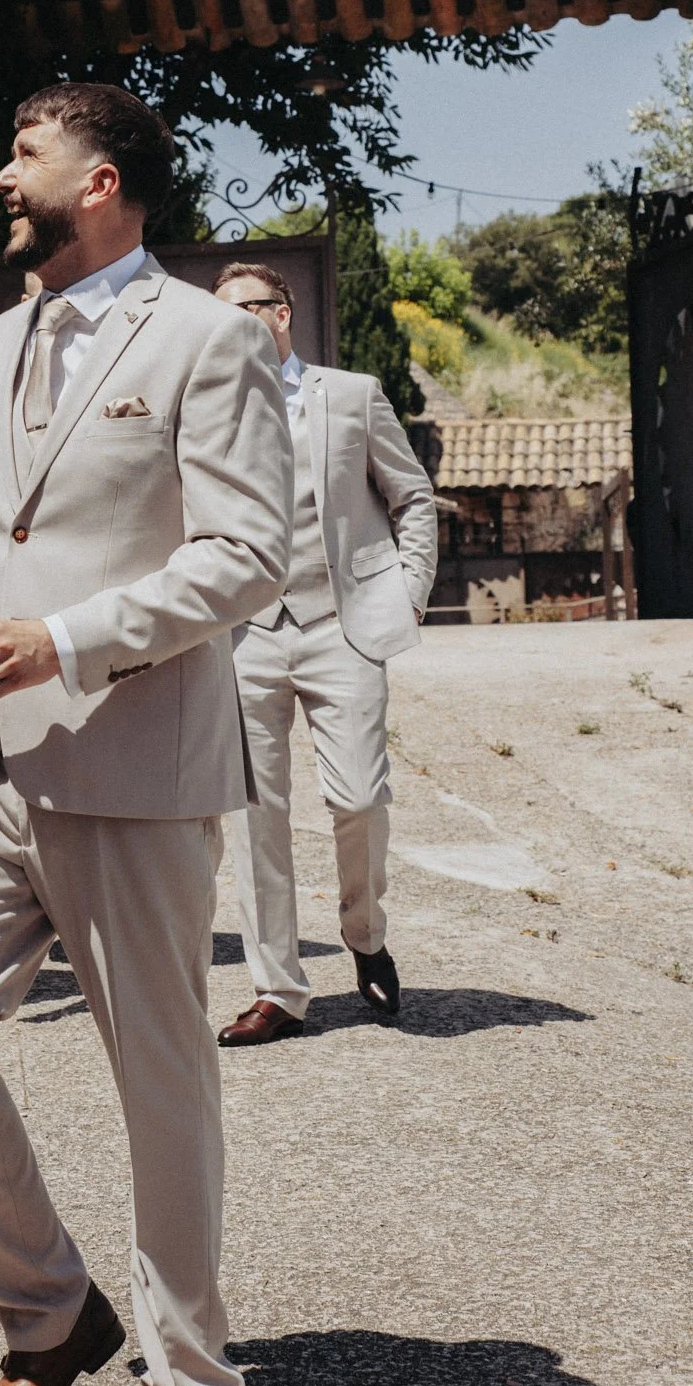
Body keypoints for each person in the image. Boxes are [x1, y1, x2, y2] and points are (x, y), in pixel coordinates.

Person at [0, 85, 292, 1386]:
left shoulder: (208, 338)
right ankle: (49, 1319)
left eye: (24, 154)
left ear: (101, 181)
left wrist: (65, 637)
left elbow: (250, 554)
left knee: (158, 1077)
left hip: (133, 752)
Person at [211, 261, 438, 1046]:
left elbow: (410, 495)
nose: (237, 323)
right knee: (253, 816)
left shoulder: (349, 393)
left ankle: (364, 933)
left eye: (250, 308)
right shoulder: (204, 407)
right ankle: (277, 987)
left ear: (282, 313)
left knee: (358, 798)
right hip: (244, 634)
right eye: (224, 312)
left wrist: (407, 592)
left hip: (342, 625)